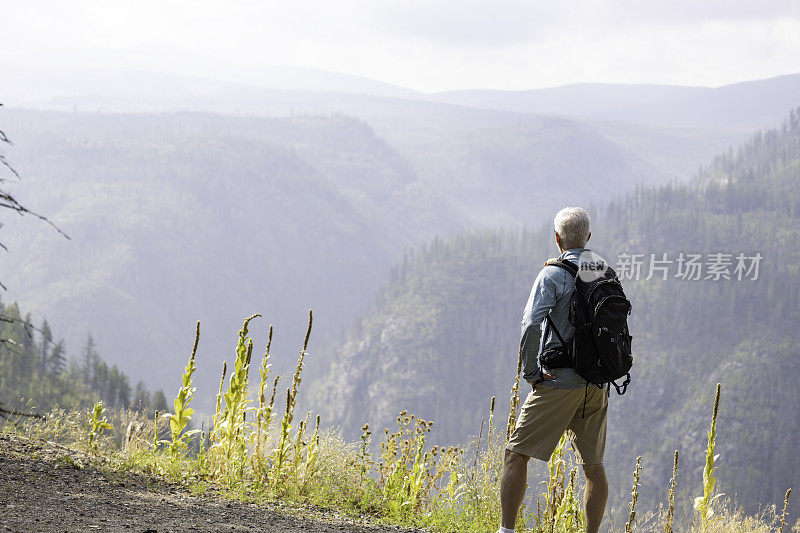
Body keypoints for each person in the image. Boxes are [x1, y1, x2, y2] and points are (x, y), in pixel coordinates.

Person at [498, 207, 608, 533]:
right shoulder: (602, 270)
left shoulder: (553, 274)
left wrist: (531, 371)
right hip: (597, 383)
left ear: (557, 238)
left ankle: (506, 531)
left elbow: (531, 324)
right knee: (594, 467)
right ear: (587, 237)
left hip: (559, 381)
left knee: (516, 455)